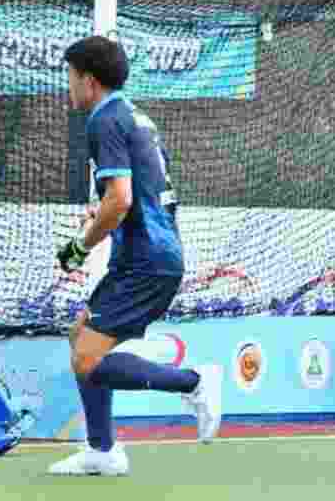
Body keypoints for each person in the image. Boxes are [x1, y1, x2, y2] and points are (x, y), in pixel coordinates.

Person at [49, 35, 223, 476]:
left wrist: (79, 245)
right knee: (80, 338)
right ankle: (102, 450)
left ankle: (195, 382)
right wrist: (107, 210)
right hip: (145, 256)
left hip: (147, 260)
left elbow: (122, 200)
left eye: (70, 76)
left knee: (88, 358)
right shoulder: (134, 116)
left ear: (88, 80)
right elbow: (143, 193)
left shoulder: (104, 120)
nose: (68, 86)